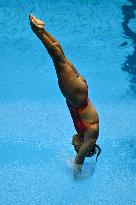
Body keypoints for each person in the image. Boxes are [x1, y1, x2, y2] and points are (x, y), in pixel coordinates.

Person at [29, 14, 101, 174]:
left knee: (60, 54)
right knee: (57, 57)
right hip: (77, 96)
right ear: (82, 146)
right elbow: (79, 161)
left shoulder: (87, 133)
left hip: (80, 90)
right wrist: (77, 177)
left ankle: (41, 29)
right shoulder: (91, 137)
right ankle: (37, 30)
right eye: (76, 148)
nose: (73, 146)